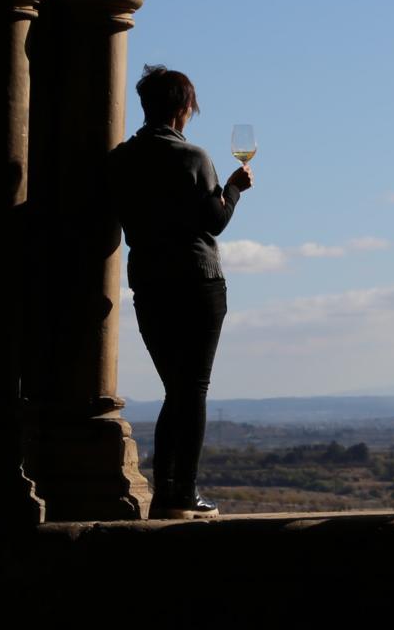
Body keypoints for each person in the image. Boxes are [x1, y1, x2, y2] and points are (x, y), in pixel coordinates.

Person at [106, 64, 253, 520]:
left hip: (149, 283)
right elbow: (215, 221)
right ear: (183, 109)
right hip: (197, 283)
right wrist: (234, 188)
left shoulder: (121, 159)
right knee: (193, 389)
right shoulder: (193, 157)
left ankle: (170, 490)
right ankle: (181, 494)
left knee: (178, 389)